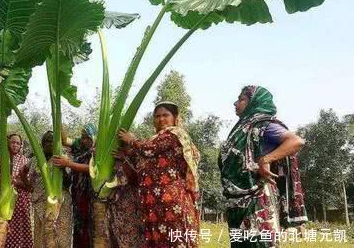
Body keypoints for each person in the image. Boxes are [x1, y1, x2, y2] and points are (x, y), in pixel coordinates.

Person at [220, 86, 306, 247]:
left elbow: (296, 141)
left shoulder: (263, 125)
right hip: (236, 203)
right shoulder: (241, 128)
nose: (235, 103)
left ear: (254, 102)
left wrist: (266, 159)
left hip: (257, 201)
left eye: (241, 99)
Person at [118, 101, 201, 247]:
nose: (161, 119)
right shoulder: (156, 138)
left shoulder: (175, 135)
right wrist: (125, 155)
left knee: (174, 239)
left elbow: (149, 149)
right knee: (158, 240)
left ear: (175, 117)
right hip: (154, 202)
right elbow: (140, 164)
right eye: (157, 116)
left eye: (165, 115)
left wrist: (131, 140)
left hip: (171, 200)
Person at [30, 131, 73, 248]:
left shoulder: (63, 158)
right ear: (43, 143)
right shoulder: (35, 160)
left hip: (60, 202)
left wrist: (63, 168)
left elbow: (69, 182)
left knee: (62, 234)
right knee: (41, 236)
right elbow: (30, 180)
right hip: (39, 202)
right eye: (47, 141)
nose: (50, 144)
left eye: (53, 141)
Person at [56, 124, 96, 247]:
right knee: (78, 224)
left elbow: (91, 168)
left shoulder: (97, 149)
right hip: (78, 191)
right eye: (83, 137)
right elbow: (64, 140)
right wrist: (59, 120)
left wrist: (68, 163)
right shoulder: (79, 145)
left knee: (89, 225)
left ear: (94, 137)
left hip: (91, 192)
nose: (85, 140)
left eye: (88, 137)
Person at [4, 133, 33, 248]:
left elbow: (30, 186)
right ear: (8, 143)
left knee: (19, 229)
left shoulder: (26, 161)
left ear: (21, 145)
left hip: (20, 201)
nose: (15, 145)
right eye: (12, 142)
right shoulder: (2, 159)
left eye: (18, 143)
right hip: (3, 199)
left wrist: (16, 182)